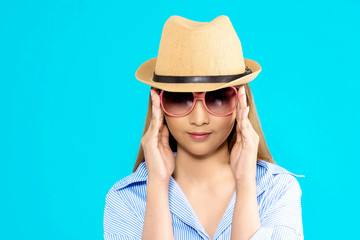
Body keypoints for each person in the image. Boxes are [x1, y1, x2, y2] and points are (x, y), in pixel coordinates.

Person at [103, 15, 305, 240]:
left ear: (241, 100)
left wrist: (245, 183)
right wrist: (157, 187)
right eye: (180, 99)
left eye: (218, 97)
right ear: (157, 102)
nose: (199, 119)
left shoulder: (276, 190)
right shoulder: (126, 200)